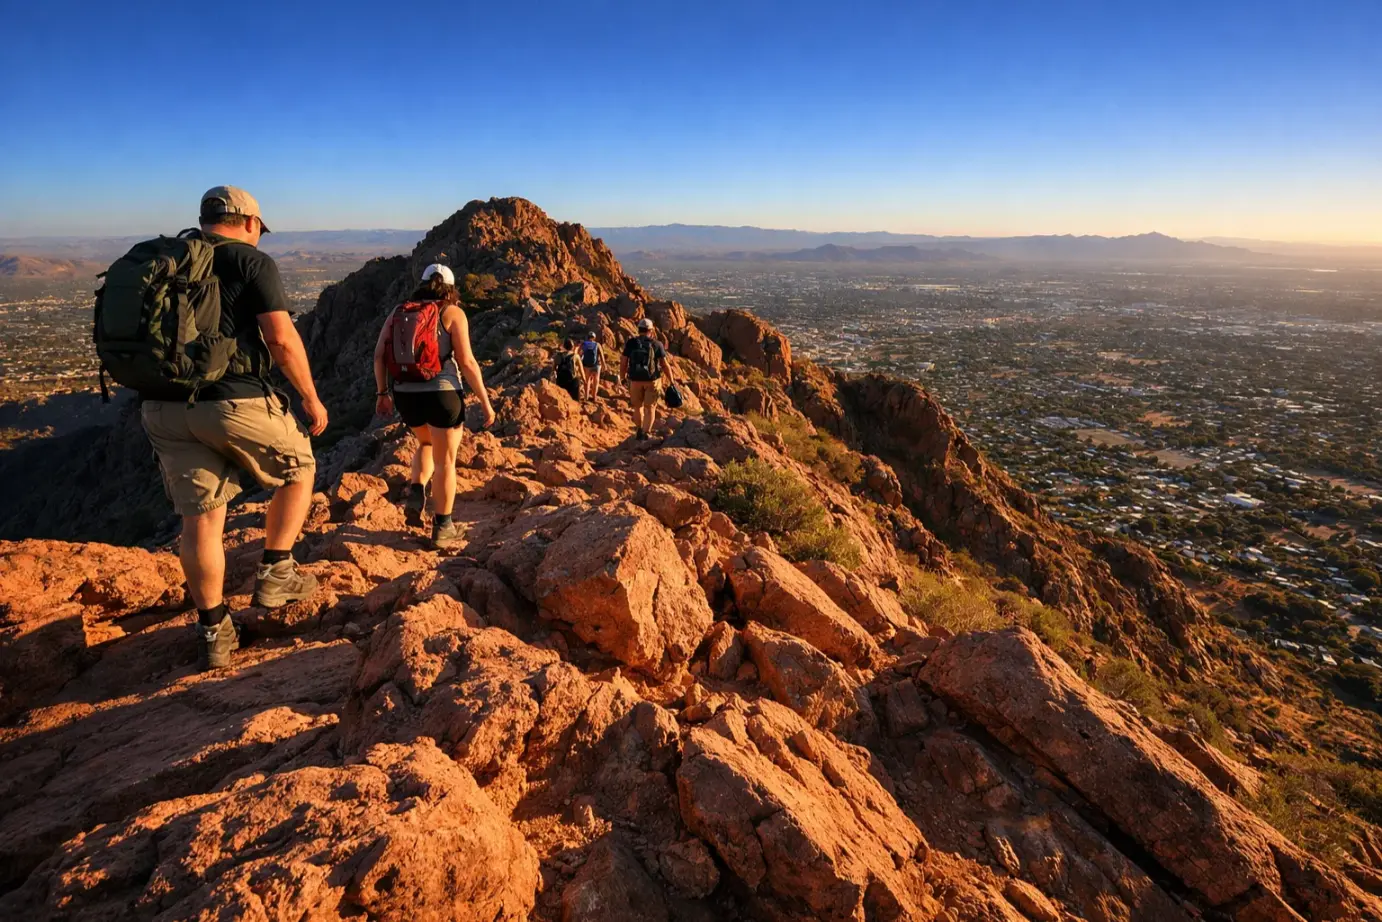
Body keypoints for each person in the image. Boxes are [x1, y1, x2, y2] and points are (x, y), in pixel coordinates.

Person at [137, 186, 328, 671]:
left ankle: (214, 632)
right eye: (259, 229)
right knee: (300, 465)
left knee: (201, 517)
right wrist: (308, 397)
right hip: (230, 402)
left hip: (161, 407)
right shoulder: (251, 262)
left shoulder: (167, 259)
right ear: (248, 222)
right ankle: (277, 572)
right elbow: (281, 340)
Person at [373, 264, 496, 550]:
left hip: (405, 394)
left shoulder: (398, 312)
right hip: (442, 394)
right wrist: (486, 403)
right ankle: (443, 528)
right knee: (445, 462)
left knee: (425, 443)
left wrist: (382, 393)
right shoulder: (453, 313)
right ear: (450, 288)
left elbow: (379, 355)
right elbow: (467, 362)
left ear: (423, 283)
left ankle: (417, 489)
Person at [620, 317, 676, 440]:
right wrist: (671, 380)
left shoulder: (631, 343)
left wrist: (622, 377)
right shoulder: (657, 344)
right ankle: (646, 433)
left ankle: (639, 429)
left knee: (637, 407)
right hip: (652, 380)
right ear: (651, 330)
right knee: (650, 408)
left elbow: (623, 362)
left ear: (639, 329)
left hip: (635, 380)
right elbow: (664, 364)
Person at [579, 332, 604, 400]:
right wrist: (604, 365)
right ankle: (594, 397)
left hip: (587, 366)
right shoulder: (597, 344)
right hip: (596, 365)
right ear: (594, 337)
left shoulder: (584, 344)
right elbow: (601, 355)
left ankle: (586, 397)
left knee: (587, 380)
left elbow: (579, 354)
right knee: (596, 381)